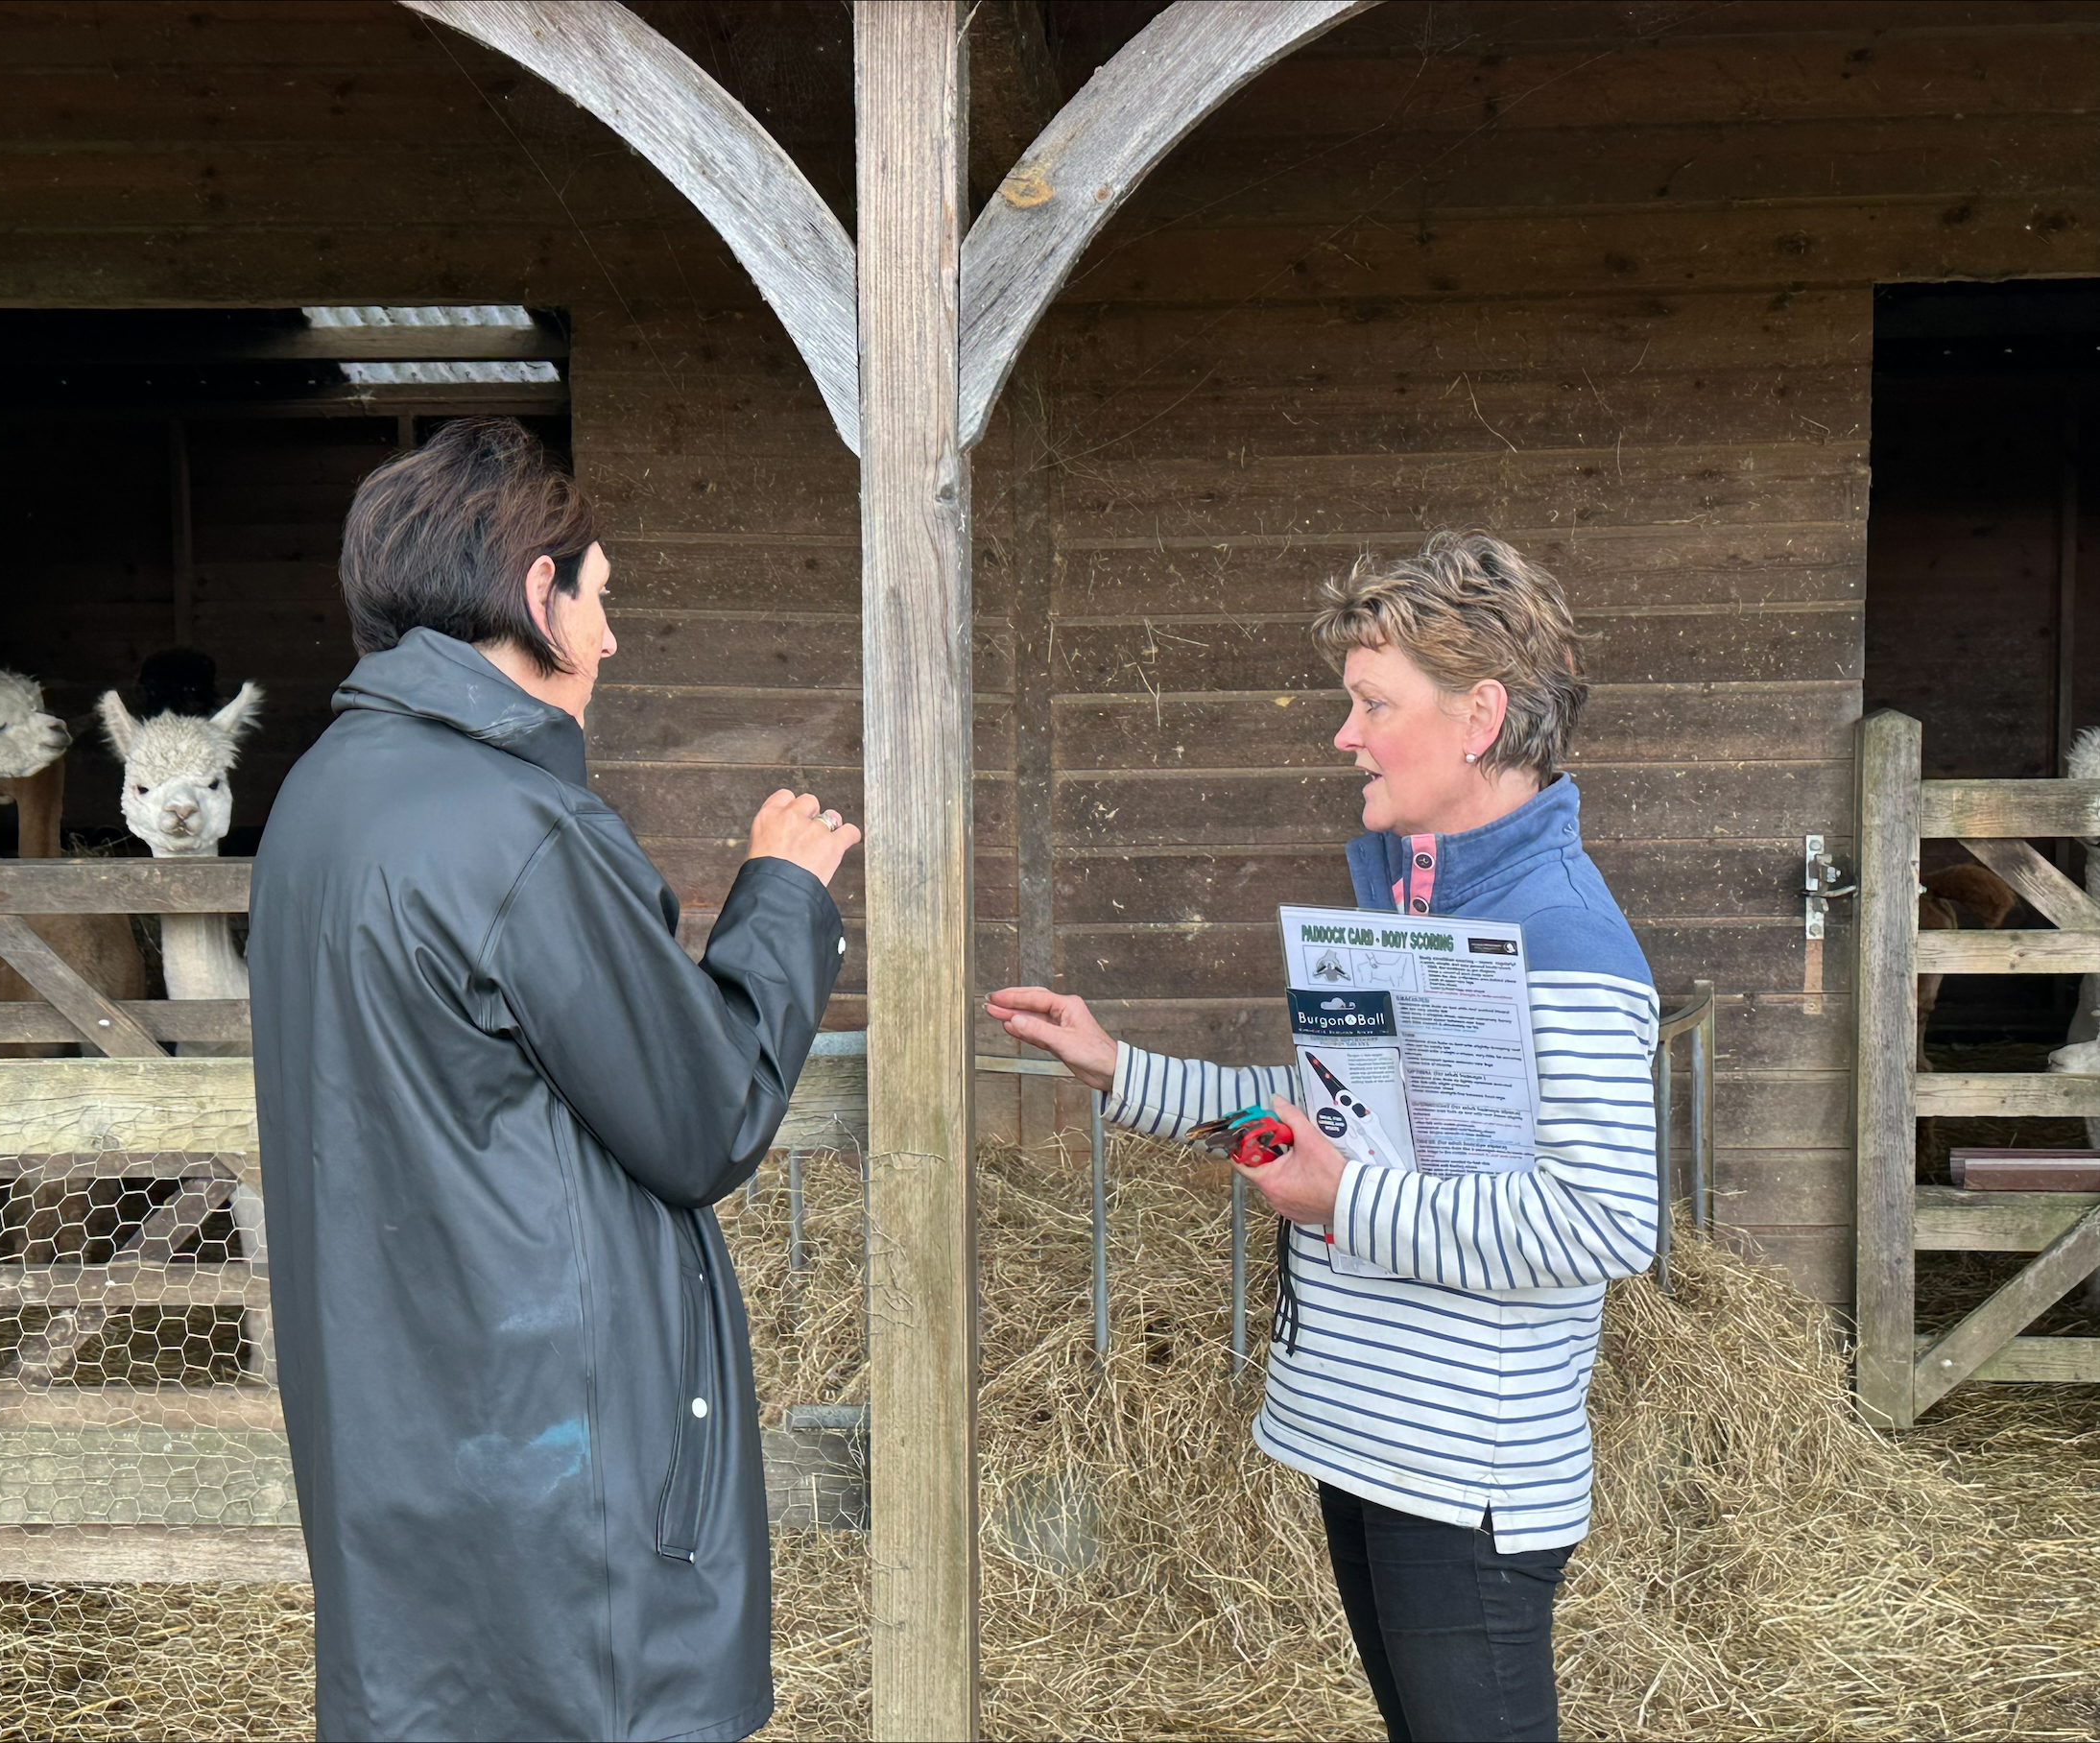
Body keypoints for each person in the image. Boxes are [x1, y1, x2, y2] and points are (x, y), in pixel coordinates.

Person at [249, 418, 860, 1742]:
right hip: (557, 1465)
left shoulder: (320, 797)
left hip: (405, 1430)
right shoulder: (518, 829)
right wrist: (782, 897)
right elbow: (703, 1116)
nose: (611, 639)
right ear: (538, 593)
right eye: (600, 599)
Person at [989, 532, 1656, 1743]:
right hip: (1372, 1441)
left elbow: (1602, 1220)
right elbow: (1323, 1125)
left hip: (1463, 1470)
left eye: (1370, 704)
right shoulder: (1423, 900)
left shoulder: (1560, 937)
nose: (1344, 735)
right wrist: (1122, 1073)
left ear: (1478, 716)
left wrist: (1344, 1199)